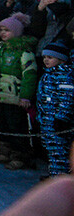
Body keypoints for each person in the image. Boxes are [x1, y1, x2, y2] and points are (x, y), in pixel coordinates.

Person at [0, 13, 38, 171]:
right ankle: (5, 151)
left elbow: (29, 75)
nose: (3, 33)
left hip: (15, 97)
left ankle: (20, 155)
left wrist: (25, 96)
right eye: (1, 30)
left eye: (7, 30)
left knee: (17, 127)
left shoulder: (24, 52)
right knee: (2, 125)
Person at [36, 41, 74, 180]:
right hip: (47, 121)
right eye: (45, 57)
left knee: (59, 153)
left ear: (61, 59)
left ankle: (59, 179)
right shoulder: (48, 74)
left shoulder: (64, 76)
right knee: (52, 151)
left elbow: (67, 99)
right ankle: (55, 175)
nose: (46, 60)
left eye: (50, 58)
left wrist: (61, 117)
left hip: (57, 122)